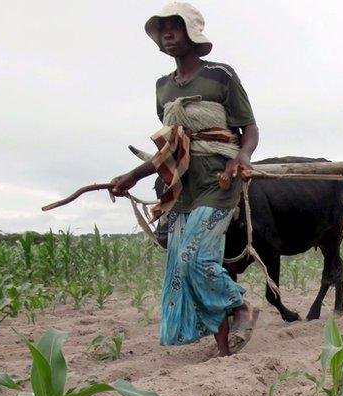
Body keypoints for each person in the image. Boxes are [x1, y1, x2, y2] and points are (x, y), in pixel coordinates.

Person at [109, 2, 260, 356]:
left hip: (219, 180)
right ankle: (223, 346)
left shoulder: (221, 75)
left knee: (196, 259)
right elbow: (174, 145)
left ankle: (240, 306)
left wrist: (242, 156)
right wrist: (132, 176)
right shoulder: (163, 87)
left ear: (192, 33)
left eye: (175, 26)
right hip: (181, 186)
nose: (167, 34)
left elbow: (249, 128)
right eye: (162, 29)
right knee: (180, 267)